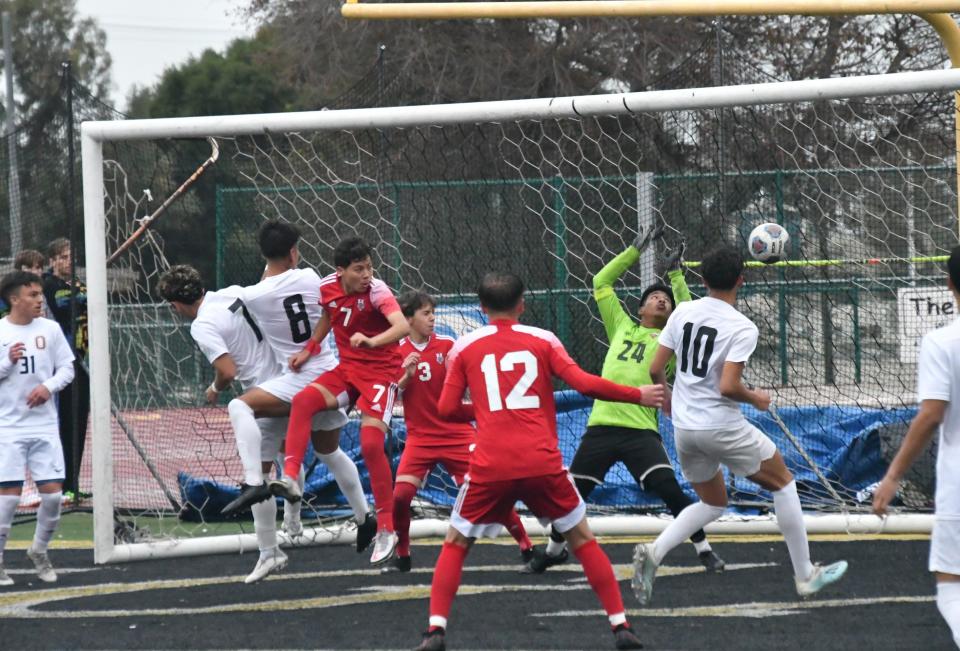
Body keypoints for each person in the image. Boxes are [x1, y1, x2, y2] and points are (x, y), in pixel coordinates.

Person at [414, 271, 663, 651]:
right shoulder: (543, 340)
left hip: (490, 464)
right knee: (582, 540)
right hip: (542, 462)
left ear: (481, 308)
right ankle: (620, 626)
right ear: (522, 305)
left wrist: (484, 409)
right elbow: (583, 383)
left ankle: (435, 632)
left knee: (455, 542)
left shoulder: (463, 348)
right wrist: (637, 394)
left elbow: (446, 409)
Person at [632, 245, 847, 606]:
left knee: (713, 502)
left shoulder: (683, 310)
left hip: (685, 429)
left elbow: (655, 369)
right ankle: (805, 575)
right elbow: (728, 387)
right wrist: (756, 398)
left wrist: (668, 400)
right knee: (784, 483)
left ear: (701, 279)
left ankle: (655, 552)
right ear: (741, 281)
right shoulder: (742, 326)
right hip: (721, 426)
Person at [524, 225, 723, 575]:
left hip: (641, 431)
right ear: (641, 307)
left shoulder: (672, 339)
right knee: (573, 494)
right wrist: (633, 253)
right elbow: (601, 281)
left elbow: (691, 314)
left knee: (669, 488)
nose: (662, 300)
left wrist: (675, 275)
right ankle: (555, 550)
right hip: (601, 426)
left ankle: (705, 550)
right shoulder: (621, 327)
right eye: (654, 297)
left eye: (667, 299)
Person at [218, 221, 376, 558]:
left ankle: (254, 489)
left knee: (240, 408)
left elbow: (260, 287)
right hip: (331, 373)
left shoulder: (252, 296)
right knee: (329, 451)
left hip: (297, 380)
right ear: (293, 252)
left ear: (264, 254)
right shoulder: (309, 277)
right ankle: (365, 518)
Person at [157, 264, 300, 583]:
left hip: (267, 391)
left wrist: (214, 389)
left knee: (259, 476)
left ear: (175, 304)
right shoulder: (231, 292)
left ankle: (271, 551)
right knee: (303, 451)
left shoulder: (201, 324)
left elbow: (227, 370)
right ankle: (295, 522)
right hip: (290, 376)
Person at [273, 236, 409, 565]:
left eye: (370, 267)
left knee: (372, 444)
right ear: (341, 271)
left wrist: (372, 341)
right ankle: (291, 477)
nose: (367, 274)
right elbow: (328, 319)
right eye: (359, 269)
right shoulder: (327, 288)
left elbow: (402, 326)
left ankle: (386, 528)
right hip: (348, 371)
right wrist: (309, 350)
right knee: (304, 400)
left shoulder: (377, 291)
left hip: (382, 374)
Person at [383, 290, 533, 574]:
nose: (432, 318)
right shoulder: (396, 351)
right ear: (409, 318)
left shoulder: (448, 346)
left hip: (457, 435)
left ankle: (527, 546)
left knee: (489, 492)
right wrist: (406, 376)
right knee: (401, 496)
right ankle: (402, 555)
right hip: (420, 439)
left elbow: (465, 383)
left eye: (432, 313)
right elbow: (390, 394)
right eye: (426, 314)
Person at [873, 245, 960, 646]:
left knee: (951, 585)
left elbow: (930, 415)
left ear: (948, 285)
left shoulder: (943, 341)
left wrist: (892, 476)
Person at [0, 271, 75, 586]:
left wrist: (48, 387)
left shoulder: (51, 329)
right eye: (32, 295)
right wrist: (7, 362)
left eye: (39, 294)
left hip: (44, 425)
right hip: (9, 426)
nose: (39, 300)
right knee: (9, 499)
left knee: (54, 497)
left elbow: (67, 368)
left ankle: (39, 550)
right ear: (14, 299)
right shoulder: (1, 331)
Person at [41, 238, 88, 501]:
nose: (67, 261)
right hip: (62, 363)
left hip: (83, 362)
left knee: (79, 423)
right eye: (62, 257)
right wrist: (79, 294)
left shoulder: (78, 284)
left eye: (70, 256)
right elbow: (63, 305)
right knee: (65, 423)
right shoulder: (49, 285)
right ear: (52, 261)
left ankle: (73, 481)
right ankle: (60, 483)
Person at [1, 250, 48, 319]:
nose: (34, 272)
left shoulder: (44, 290)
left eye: (38, 267)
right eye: (29, 268)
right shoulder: (7, 291)